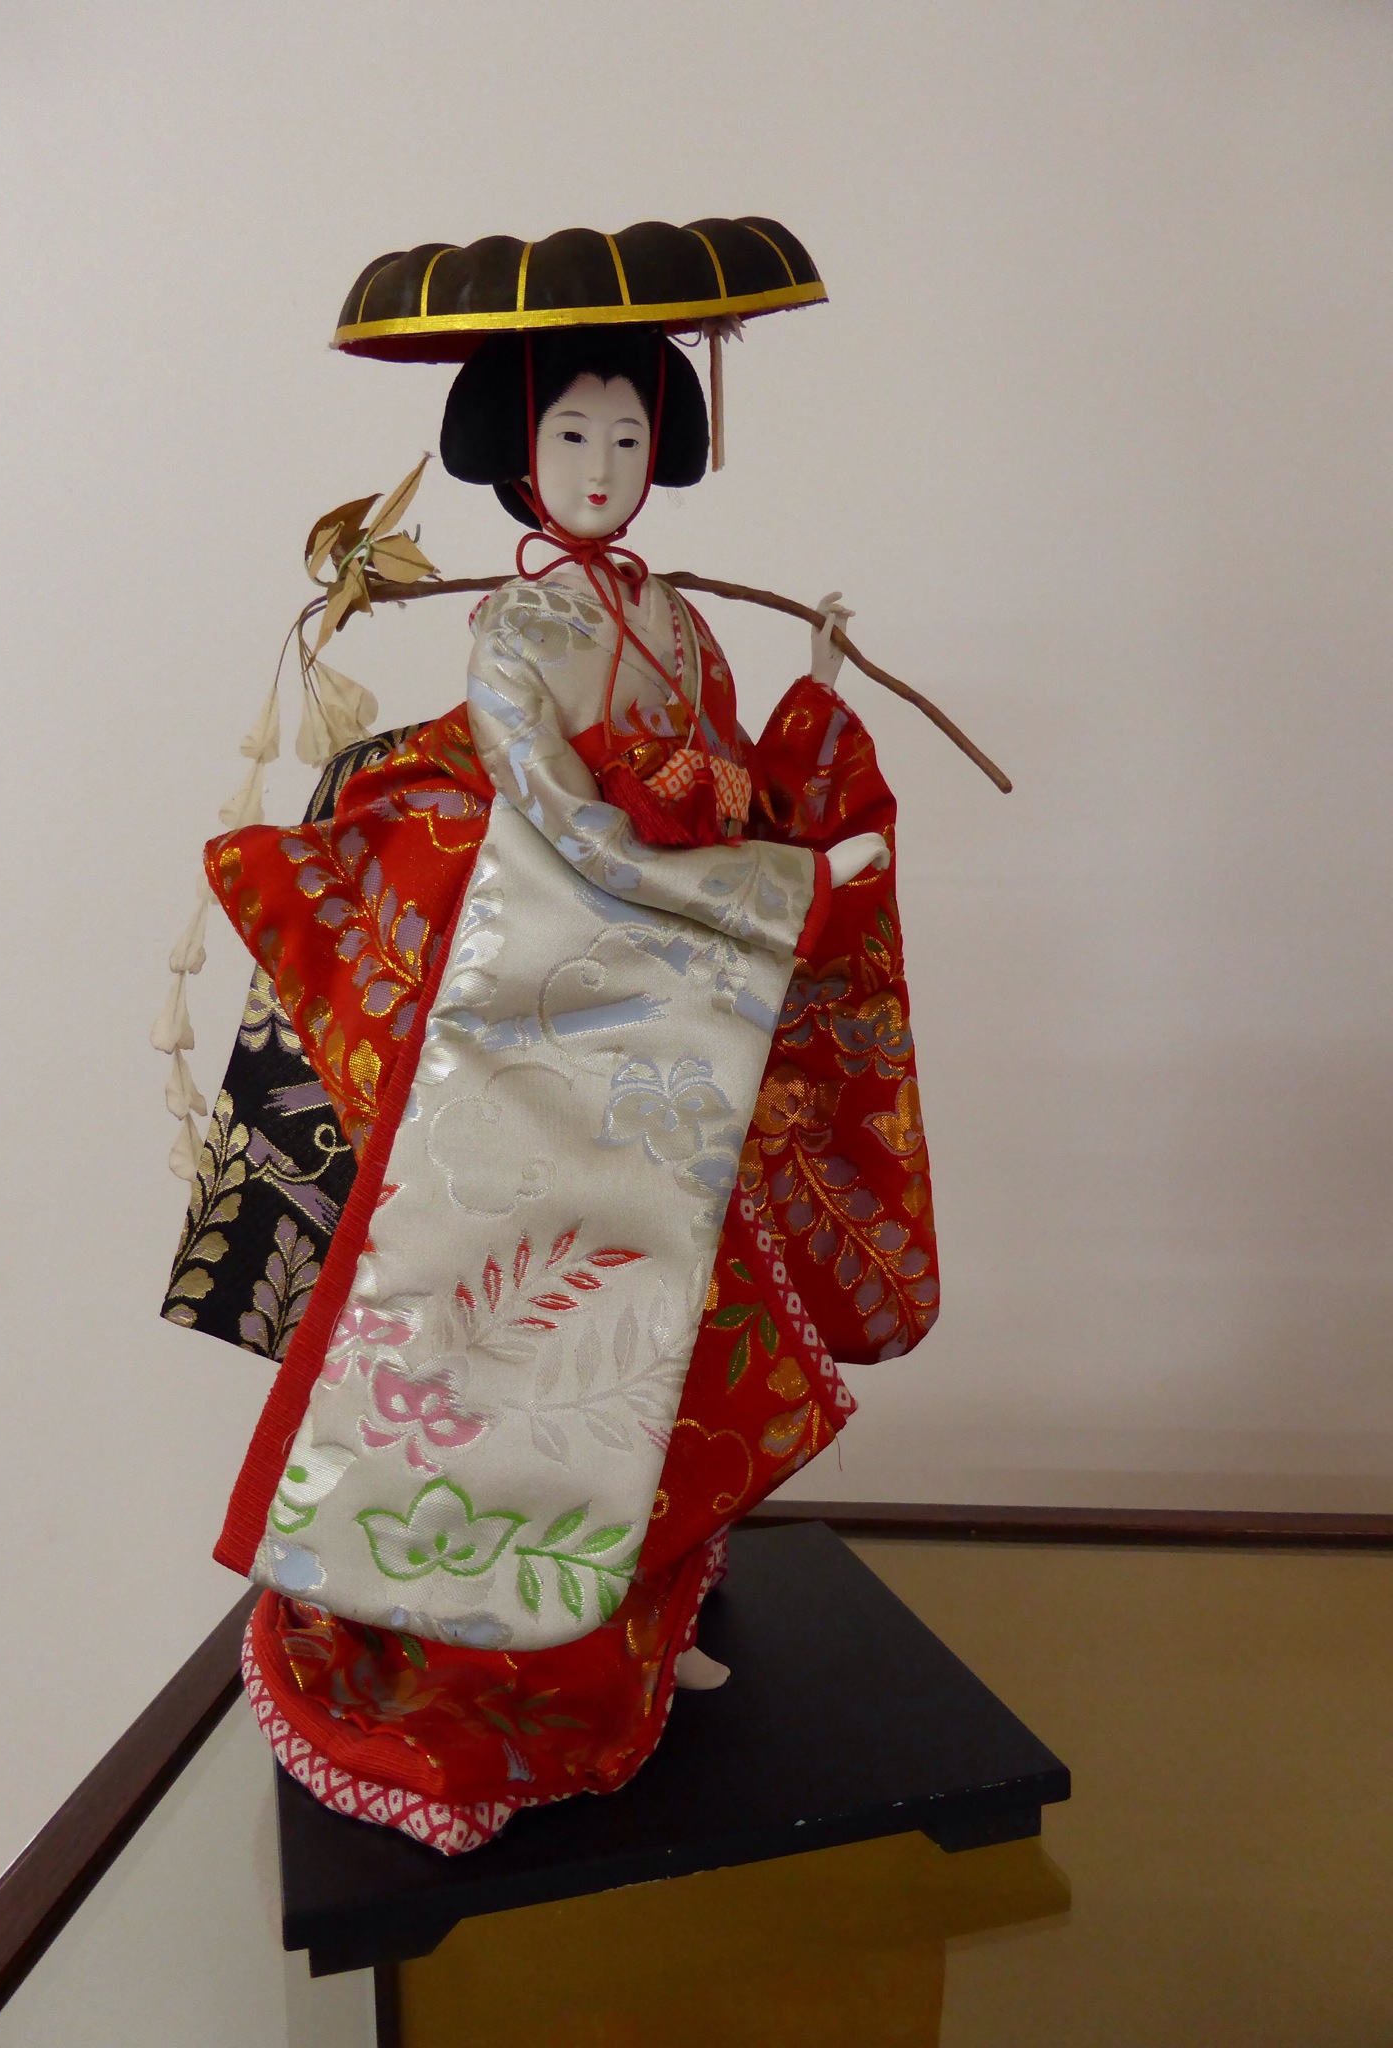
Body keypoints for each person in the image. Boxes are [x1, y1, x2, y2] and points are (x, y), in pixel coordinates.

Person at [205, 325, 939, 1852]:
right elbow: (569, 827)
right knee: (530, 1338)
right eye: (570, 437)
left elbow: (723, 770)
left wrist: (804, 716)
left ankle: (651, 1620)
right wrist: (768, 885)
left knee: (677, 1338)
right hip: (547, 1011)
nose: (600, 468)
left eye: (625, 436)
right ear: (514, 454)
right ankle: (488, 1658)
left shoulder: (682, 623)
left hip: (679, 1014)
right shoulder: (516, 634)